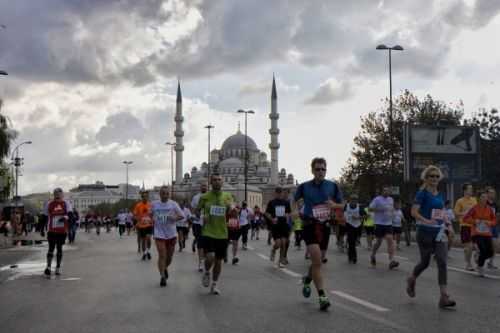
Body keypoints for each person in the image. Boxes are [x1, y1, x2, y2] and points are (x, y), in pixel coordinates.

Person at [295, 157, 343, 311]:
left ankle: (308, 279)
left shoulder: (333, 186)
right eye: (318, 169)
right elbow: (294, 200)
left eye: (323, 169)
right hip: (309, 225)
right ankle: (322, 296)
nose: (321, 171)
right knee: (316, 260)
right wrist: (295, 210)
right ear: (312, 170)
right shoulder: (304, 186)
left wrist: (335, 205)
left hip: (325, 226)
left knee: (318, 262)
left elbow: (343, 204)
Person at [406, 165, 456, 308]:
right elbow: (413, 212)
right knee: (425, 262)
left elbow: (443, 212)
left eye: (436, 176)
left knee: (442, 261)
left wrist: (449, 225)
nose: (434, 179)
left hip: (439, 232)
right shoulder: (421, 193)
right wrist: (426, 220)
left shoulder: (440, 194)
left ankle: (443, 296)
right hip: (425, 232)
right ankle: (412, 278)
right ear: (426, 178)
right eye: (431, 176)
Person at [197, 173, 233, 295]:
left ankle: (214, 284)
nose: (217, 181)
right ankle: (207, 272)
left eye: (219, 180)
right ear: (211, 183)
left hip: (222, 233)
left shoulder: (227, 196)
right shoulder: (205, 197)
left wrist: (231, 209)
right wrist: (202, 216)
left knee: (218, 261)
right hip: (208, 231)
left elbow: (231, 212)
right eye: (215, 180)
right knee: (210, 256)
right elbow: (196, 212)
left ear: (222, 182)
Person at [152, 186, 185, 287]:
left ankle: (164, 267)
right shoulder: (154, 204)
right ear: (160, 194)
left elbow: (182, 215)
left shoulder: (173, 204)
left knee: (169, 257)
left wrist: (174, 218)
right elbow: (149, 214)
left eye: (167, 193)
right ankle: (162, 276)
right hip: (159, 233)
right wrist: (151, 218)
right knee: (162, 255)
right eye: (163, 193)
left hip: (171, 234)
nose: (165, 195)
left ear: (169, 194)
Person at [464, 190, 497, 277]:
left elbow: (494, 220)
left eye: (486, 197)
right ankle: (480, 267)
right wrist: (474, 221)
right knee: (483, 250)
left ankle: (479, 258)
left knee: (490, 252)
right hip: (476, 233)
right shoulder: (474, 208)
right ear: (478, 198)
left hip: (487, 233)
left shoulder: (489, 209)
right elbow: (465, 218)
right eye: (482, 197)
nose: (485, 198)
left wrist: (490, 223)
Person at [44, 188, 72, 277]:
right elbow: (44, 216)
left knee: (59, 248)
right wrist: (41, 228)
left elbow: (70, 215)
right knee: (51, 248)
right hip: (51, 229)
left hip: (62, 230)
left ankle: (58, 268)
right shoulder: (49, 204)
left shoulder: (66, 203)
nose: (57, 195)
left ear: (62, 195)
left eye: (59, 194)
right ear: (54, 195)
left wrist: (65, 218)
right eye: (56, 194)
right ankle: (48, 267)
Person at [369, 187, 399, 269]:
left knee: (390, 239)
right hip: (379, 223)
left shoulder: (391, 199)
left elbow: (391, 209)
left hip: (388, 223)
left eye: (388, 191)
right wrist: (380, 209)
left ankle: (392, 260)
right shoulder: (377, 199)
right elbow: (370, 208)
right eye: (385, 190)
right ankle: (373, 254)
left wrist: (393, 214)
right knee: (379, 242)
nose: (386, 192)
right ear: (382, 192)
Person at [265, 187, 292, 268]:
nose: (279, 194)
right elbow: (266, 213)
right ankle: (273, 250)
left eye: (280, 192)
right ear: (275, 193)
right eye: (278, 193)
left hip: (284, 225)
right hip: (275, 225)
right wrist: (272, 219)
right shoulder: (272, 202)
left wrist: (287, 216)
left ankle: (280, 261)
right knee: (278, 243)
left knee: (284, 243)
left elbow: (289, 213)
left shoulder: (286, 202)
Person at [454, 183, 477, 271]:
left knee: (477, 246)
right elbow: (456, 213)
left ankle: (473, 255)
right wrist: (464, 213)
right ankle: (468, 264)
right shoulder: (460, 201)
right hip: (465, 226)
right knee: (470, 246)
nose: (471, 190)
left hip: (474, 226)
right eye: (470, 189)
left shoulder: (474, 200)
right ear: (465, 190)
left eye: (472, 189)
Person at [191, 183, 208, 272]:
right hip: (198, 223)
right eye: (202, 186)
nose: (204, 187)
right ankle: (200, 262)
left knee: (207, 244)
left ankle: (205, 259)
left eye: (205, 186)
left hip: (208, 224)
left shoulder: (210, 196)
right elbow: (193, 209)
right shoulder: (196, 197)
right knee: (200, 243)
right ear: (200, 187)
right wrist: (196, 215)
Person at [344, 194, 365, 264]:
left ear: (357, 201)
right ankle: (354, 257)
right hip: (349, 225)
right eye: (352, 200)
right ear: (349, 200)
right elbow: (344, 215)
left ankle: (350, 255)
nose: (353, 201)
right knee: (351, 241)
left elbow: (364, 215)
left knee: (354, 242)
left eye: (355, 200)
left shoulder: (360, 207)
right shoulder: (346, 206)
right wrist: (350, 217)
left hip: (357, 226)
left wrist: (360, 217)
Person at [133, 190, 153, 261]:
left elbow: (153, 214)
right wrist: (138, 219)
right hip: (141, 226)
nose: (145, 198)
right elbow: (134, 215)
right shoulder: (138, 205)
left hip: (149, 225)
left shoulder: (150, 205)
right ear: (142, 197)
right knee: (143, 240)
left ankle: (148, 251)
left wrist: (152, 219)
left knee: (148, 238)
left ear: (147, 197)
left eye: (146, 197)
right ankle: (144, 253)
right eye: (143, 197)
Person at [486, 187, 499, 269]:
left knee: (496, 245)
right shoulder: (483, 203)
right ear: (487, 194)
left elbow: (497, 215)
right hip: (485, 226)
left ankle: (491, 262)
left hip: (494, 226)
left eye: (493, 193)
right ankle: (478, 256)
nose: (492, 194)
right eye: (491, 193)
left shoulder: (495, 204)